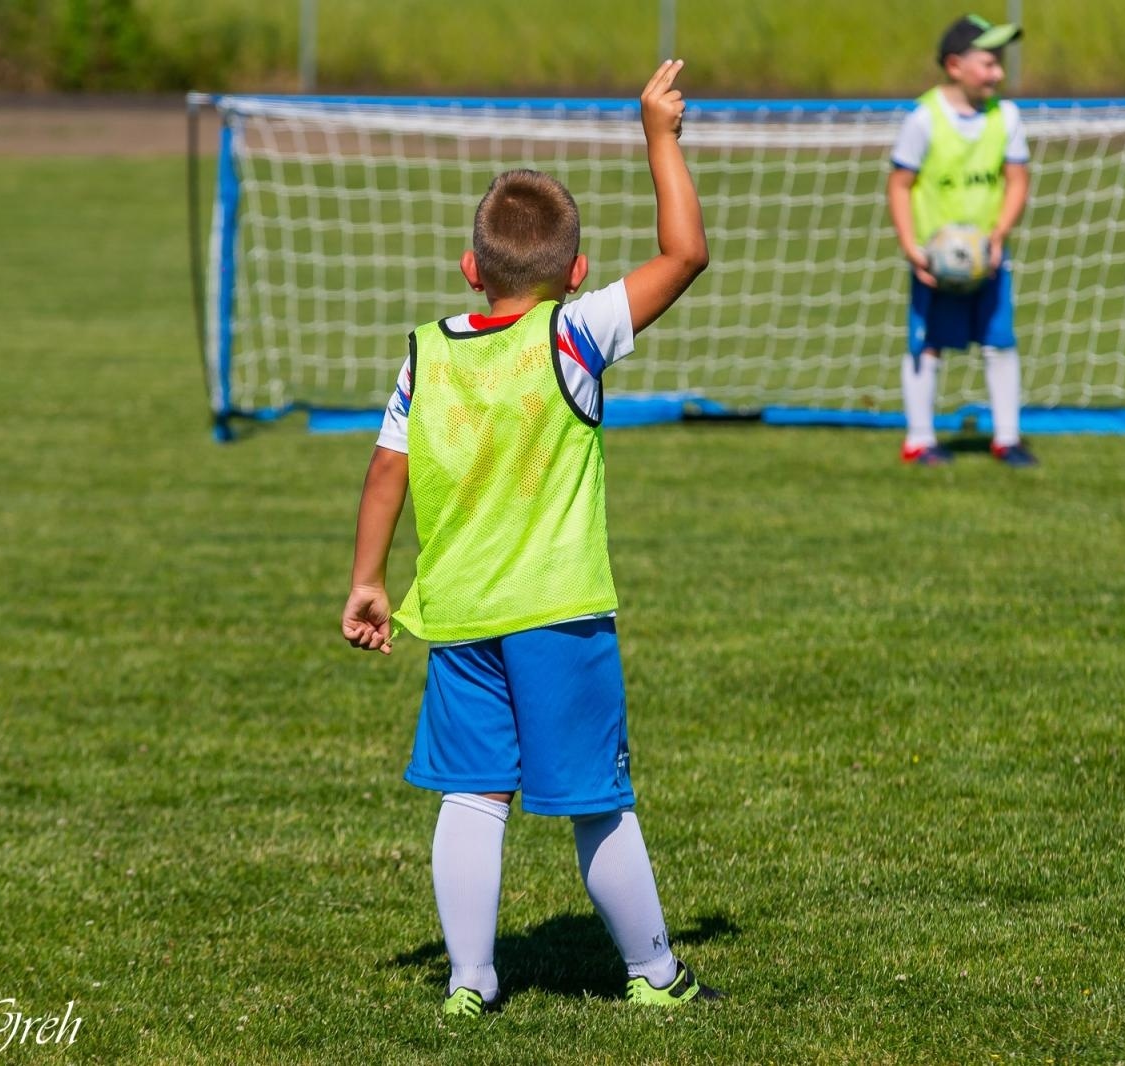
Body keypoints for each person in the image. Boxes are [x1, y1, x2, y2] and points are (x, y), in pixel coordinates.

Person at [340, 61, 720, 1011]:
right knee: (596, 800)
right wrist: (658, 135)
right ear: (577, 274)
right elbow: (685, 254)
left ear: (471, 270)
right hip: (557, 610)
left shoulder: (428, 350)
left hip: (461, 614)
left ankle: (470, 981)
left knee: (473, 795)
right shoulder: (574, 336)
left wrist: (368, 580)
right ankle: (656, 975)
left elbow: (386, 467)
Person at [886, 13, 1037, 467]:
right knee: (927, 343)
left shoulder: (1006, 117)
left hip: (987, 257)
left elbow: (1016, 181)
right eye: (989, 63)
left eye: (1000, 63)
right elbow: (899, 185)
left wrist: (998, 236)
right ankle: (919, 439)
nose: (998, 73)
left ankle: (1007, 438)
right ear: (955, 65)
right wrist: (912, 247)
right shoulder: (923, 119)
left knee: (1000, 340)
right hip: (935, 261)